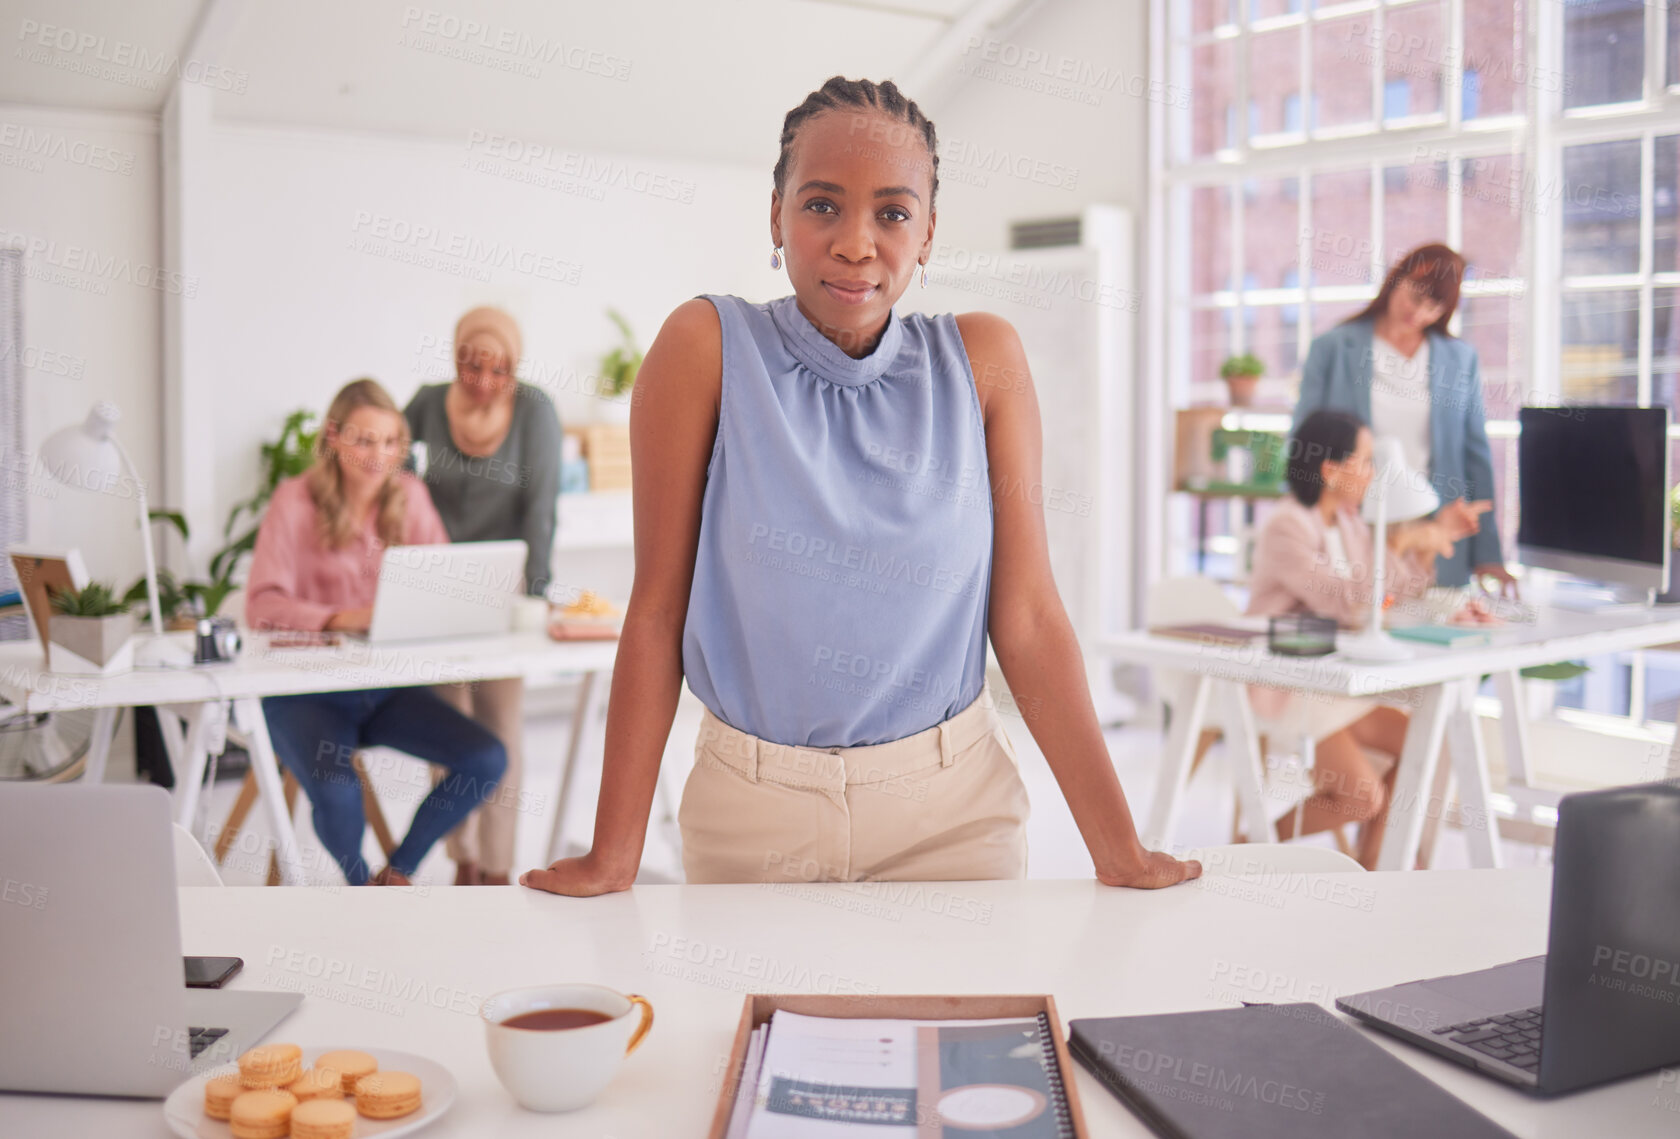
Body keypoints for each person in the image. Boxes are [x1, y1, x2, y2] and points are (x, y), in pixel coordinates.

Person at [522, 76, 1202, 896]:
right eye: (820, 206)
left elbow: (1025, 616)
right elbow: (658, 609)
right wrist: (614, 856)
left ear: (927, 231)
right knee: (743, 1029)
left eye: (891, 212)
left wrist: (1117, 849)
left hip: (952, 814)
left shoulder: (983, 361)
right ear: (774, 214)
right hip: (752, 813)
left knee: (968, 1027)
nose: (855, 242)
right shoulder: (705, 346)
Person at [246, 378, 508, 886]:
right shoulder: (294, 501)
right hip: (305, 694)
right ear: (333, 437)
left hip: (384, 689)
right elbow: (261, 603)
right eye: (364, 441)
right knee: (339, 792)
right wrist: (342, 617)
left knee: (486, 757)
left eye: (390, 442)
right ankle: (359, 883)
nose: (378, 455)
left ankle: (398, 873)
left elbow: (443, 586)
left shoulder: (410, 496)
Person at [1245, 410, 1487, 868]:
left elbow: (1399, 589)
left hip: (1337, 682)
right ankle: (1246, 846)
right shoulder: (1287, 525)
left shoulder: (1352, 523)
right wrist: (1399, 547)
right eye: (1365, 460)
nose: (1373, 473)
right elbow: (1341, 601)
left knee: (1426, 741)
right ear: (1331, 470)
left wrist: (1422, 542)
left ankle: (1377, 868)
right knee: (1361, 798)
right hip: (1290, 682)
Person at [405, 306, 562, 886]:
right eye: (471, 365)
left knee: (502, 732)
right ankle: (461, 857)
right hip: (436, 592)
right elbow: (390, 482)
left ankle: (497, 868)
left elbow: (541, 509)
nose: (483, 381)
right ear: (454, 359)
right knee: (446, 730)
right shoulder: (425, 404)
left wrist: (538, 598)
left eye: (498, 370)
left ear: (514, 369)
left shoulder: (535, 412)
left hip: (505, 593)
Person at [1292, 244, 1515, 594]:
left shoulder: (1459, 359)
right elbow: (1304, 442)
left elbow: (1476, 456)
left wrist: (1488, 552)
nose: (1419, 313)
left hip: (1433, 522)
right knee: (1358, 612)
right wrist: (1308, 525)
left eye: (1433, 307)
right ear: (1396, 280)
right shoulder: (1333, 348)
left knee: (1434, 626)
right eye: (1414, 297)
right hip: (1354, 517)